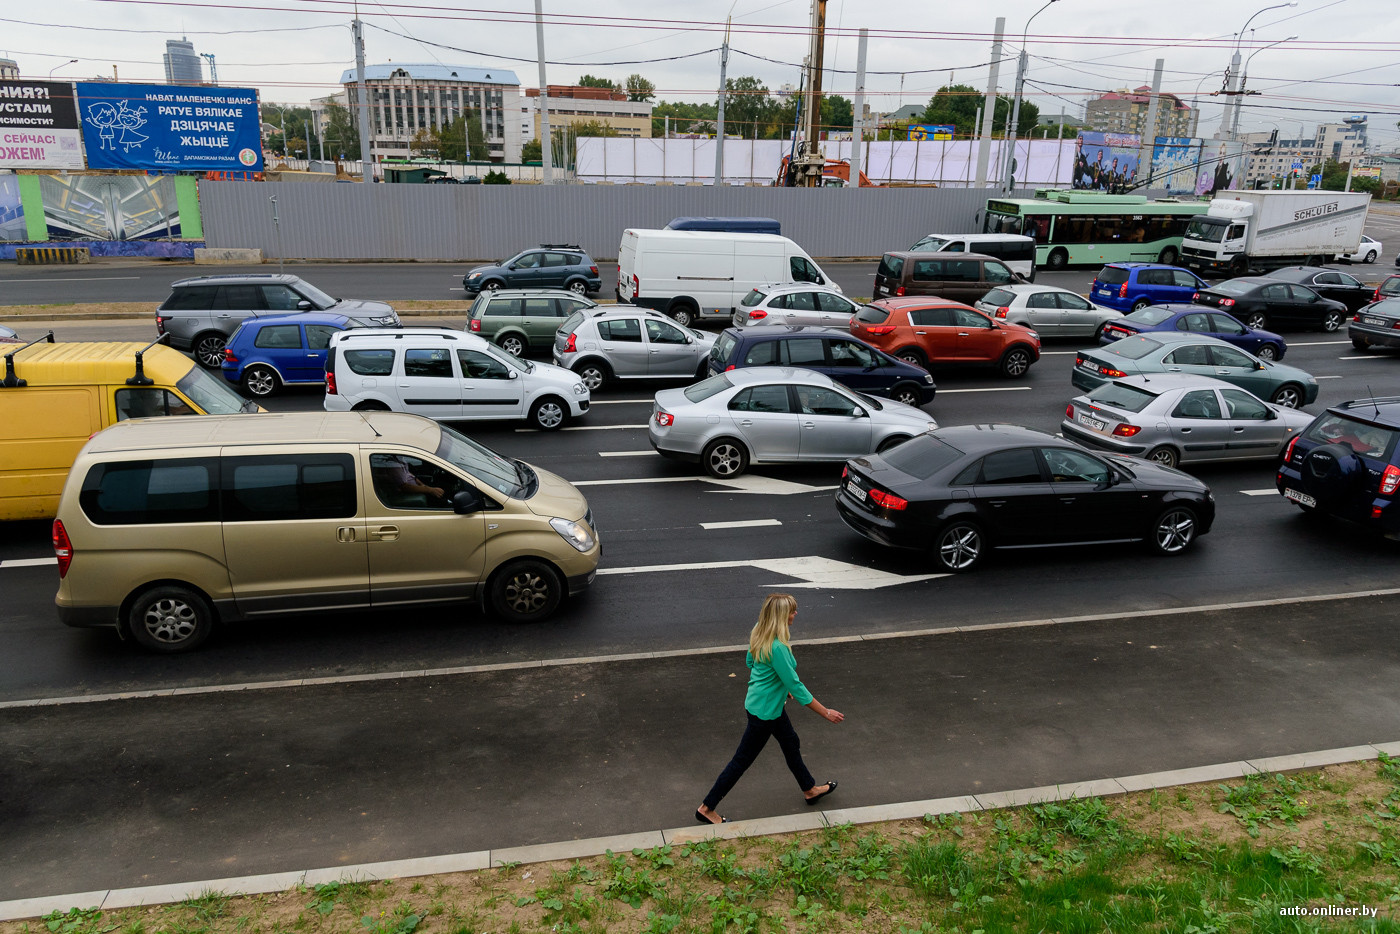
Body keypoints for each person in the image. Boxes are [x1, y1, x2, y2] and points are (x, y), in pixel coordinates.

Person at [696, 593, 844, 825]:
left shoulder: (759, 629)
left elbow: (751, 662)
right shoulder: (778, 648)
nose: (796, 613)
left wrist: (778, 686)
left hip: (764, 706)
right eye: (792, 611)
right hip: (765, 714)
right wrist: (826, 712)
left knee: (791, 743)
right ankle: (706, 808)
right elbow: (796, 685)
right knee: (741, 761)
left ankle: (809, 789)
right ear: (782, 616)